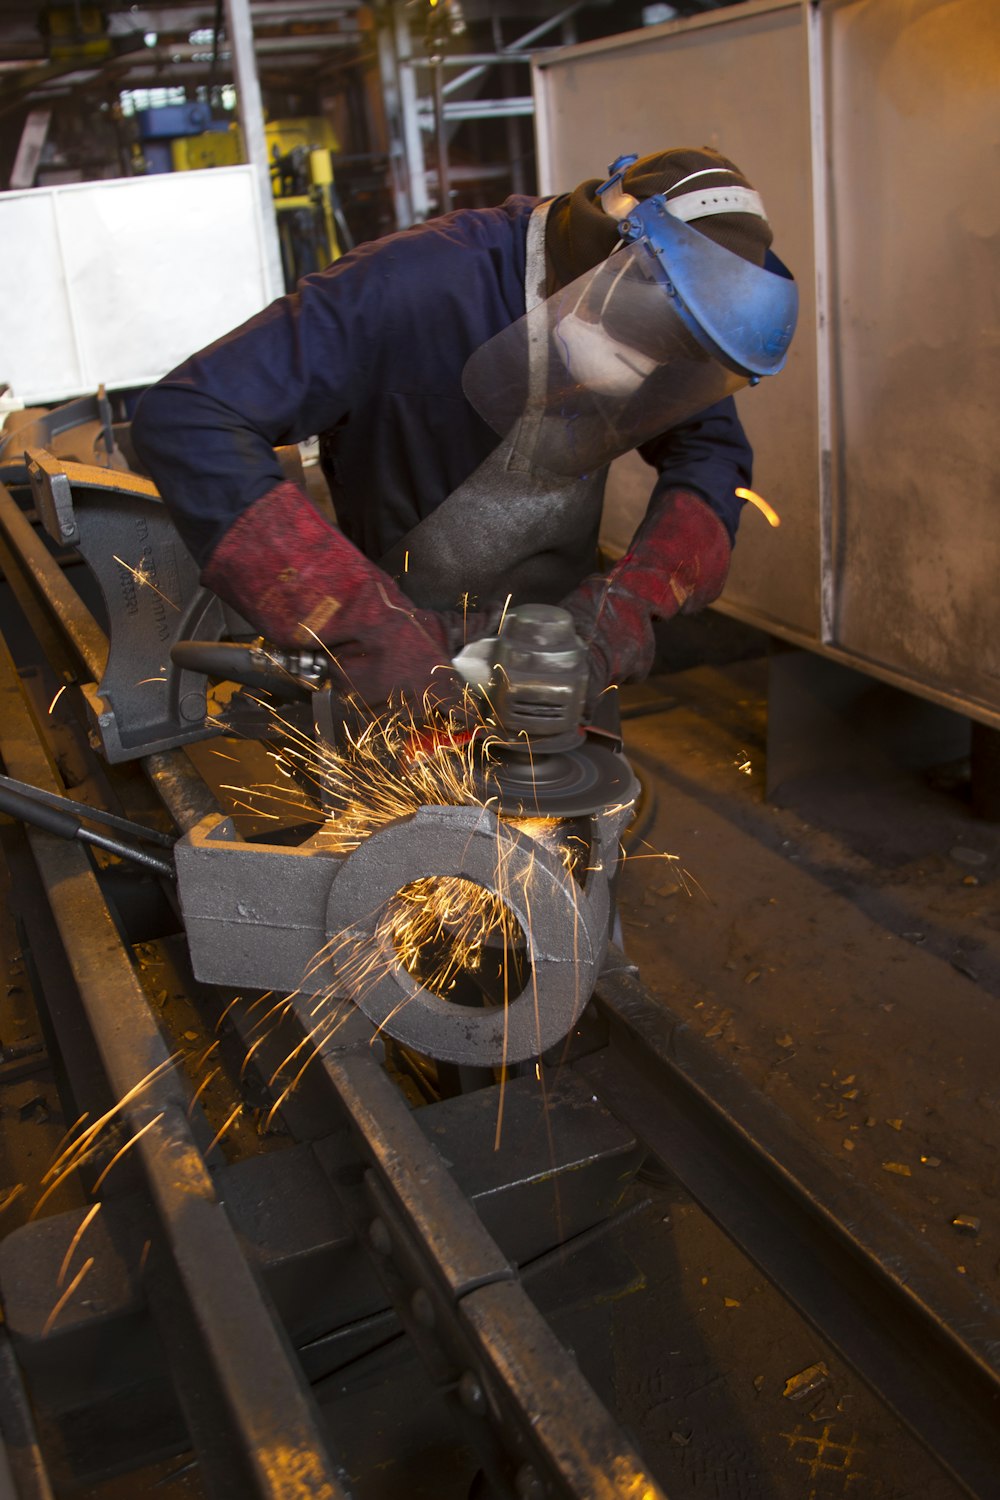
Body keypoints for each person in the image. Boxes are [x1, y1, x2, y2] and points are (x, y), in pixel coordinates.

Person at [131, 146, 797, 716]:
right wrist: (360, 626)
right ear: (609, 257)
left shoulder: (675, 322)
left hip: (555, 665)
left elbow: (711, 454)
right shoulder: (415, 286)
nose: (650, 370)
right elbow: (190, 417)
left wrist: (629, 605)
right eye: (647, 339)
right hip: (392, 669)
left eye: (674, 357)